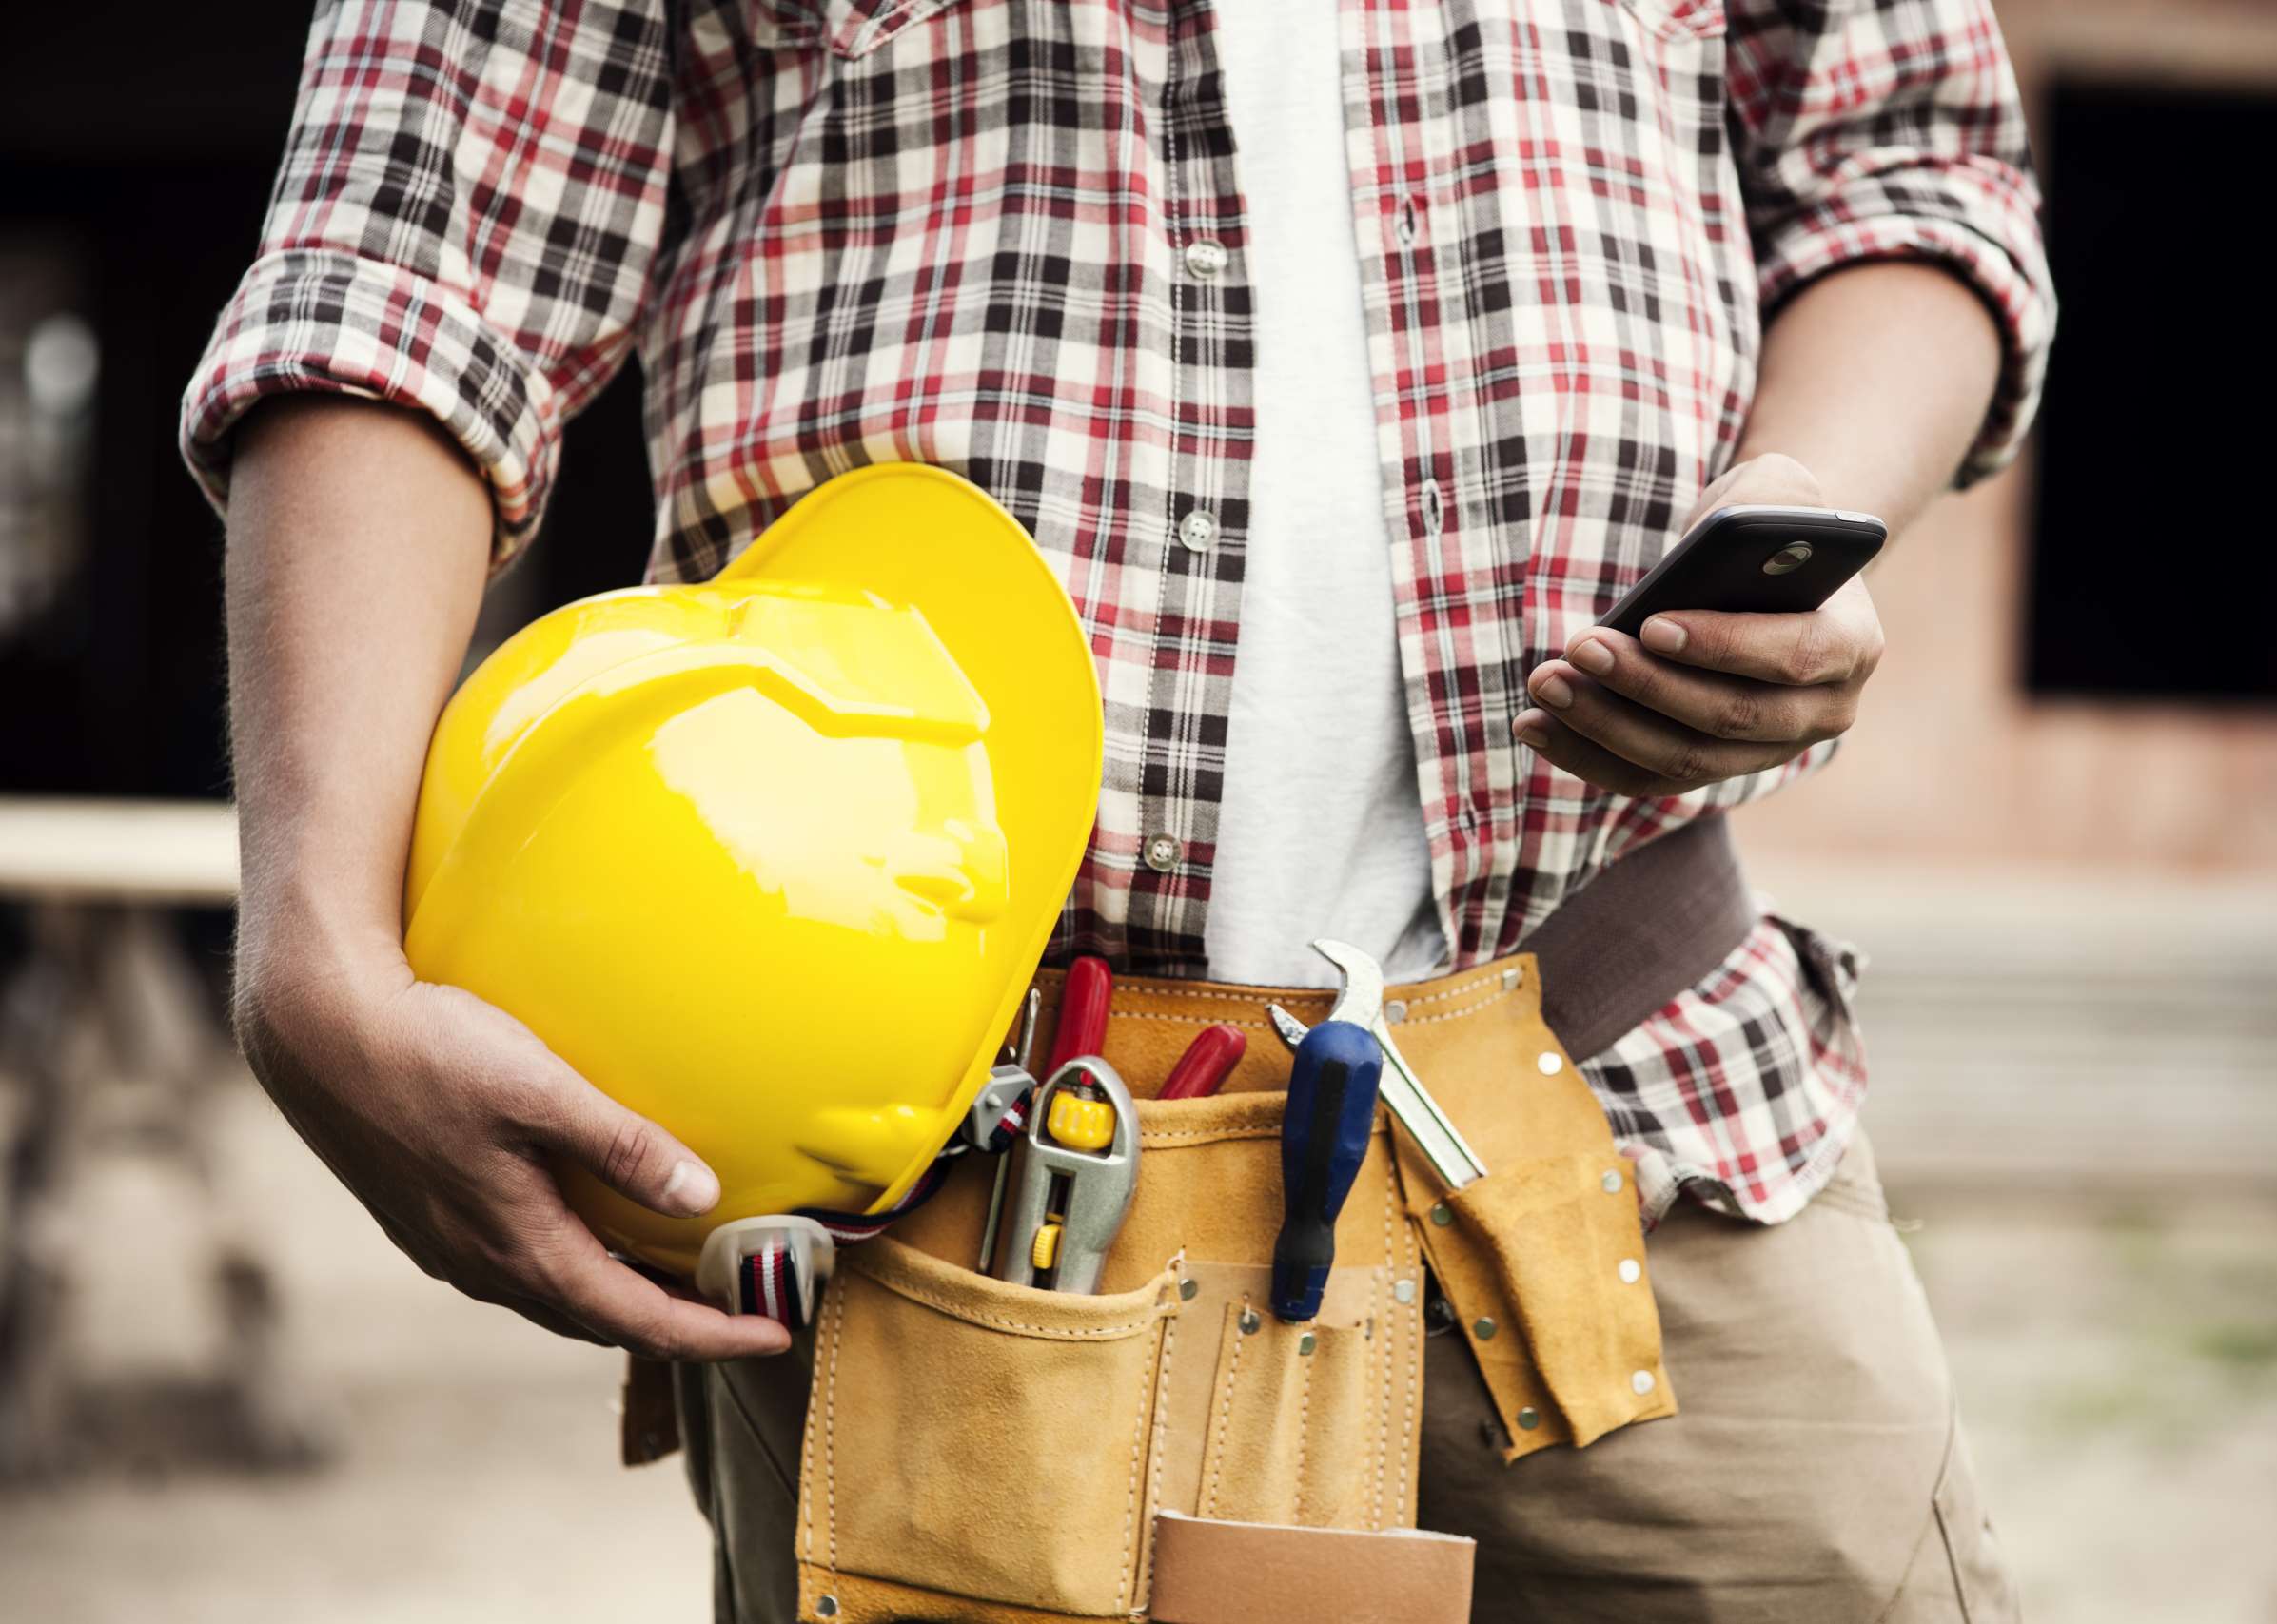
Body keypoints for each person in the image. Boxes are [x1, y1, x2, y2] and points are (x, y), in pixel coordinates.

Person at [182, 1, 2054, 1618]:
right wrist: (317, 938)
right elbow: (413, 262)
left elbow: (1908, 168)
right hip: (922, 1185)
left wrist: (1814, 488)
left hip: (1631, 1114)